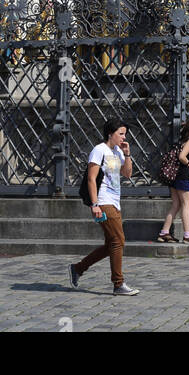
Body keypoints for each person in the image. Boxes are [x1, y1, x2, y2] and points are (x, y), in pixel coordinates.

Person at [69, 118, 138, 296]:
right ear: (110, 133)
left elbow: (127, 174)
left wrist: (127, 154)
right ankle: (118, 283)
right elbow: (92, 179)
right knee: (118, 240)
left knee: (111, 244)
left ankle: (78, 268)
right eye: (120, 134)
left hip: (115, 202)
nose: (124, 137)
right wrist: (95, 204)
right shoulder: (99, 150)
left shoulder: (118, 152)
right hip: (103, 200)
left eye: (125, 134)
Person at [157, 118, 189, 244]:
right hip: (182, 176)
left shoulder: (181, 141)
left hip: (174, 176)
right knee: (186, 205)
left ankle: (164, 232)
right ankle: (187, 235)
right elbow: (182, 157)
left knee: (176, 205)